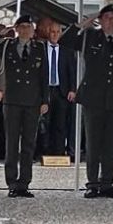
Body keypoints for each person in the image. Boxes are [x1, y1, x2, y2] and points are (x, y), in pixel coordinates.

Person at [59, 3, 113, 199]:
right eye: (107, 18)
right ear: (100, 20)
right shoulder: (90, 37)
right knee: (93, 143)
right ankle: (92, 183)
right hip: (93, 98)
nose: (111, 21)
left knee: (111, 144)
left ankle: (107, 183)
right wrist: (82, 24)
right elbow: (64, 41)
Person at [0, 15, 49, 197]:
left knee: (28, 144)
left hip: (32, 101)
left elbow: (44, 75)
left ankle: (24, 183)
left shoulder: (39, 48)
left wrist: (45, 100)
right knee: (11, 143)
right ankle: (11, 182)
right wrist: (0, 33)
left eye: (28, 27)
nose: (25, 30)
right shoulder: (7, 45)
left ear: (32, 30)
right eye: (22, 27)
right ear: (16, 29)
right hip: (12, 100)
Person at [38, 18, 76, 158]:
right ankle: (44, 152)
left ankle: (59, 152)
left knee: (60, 123)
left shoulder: (67, 51)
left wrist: (72, 89)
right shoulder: (40, 49)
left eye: (57, 32)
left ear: (60, 33)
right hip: (46, 90)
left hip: (61, 91)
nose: (54, 35)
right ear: (48, 33)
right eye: (52, 32)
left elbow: (71, 72)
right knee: (45, 123)